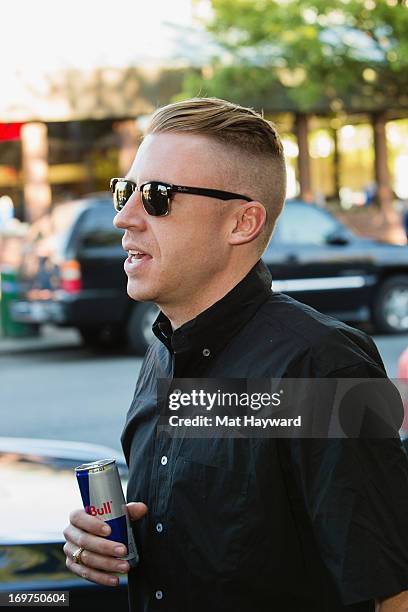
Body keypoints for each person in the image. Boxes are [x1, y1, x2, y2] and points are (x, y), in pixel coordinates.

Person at [63, 98, 408, 612]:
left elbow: (392, 589)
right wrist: (106, 543)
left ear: (243, 223)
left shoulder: (319, 365)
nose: (123, 217)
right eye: (125, 191)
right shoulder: (162, 348)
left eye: (157, 196)